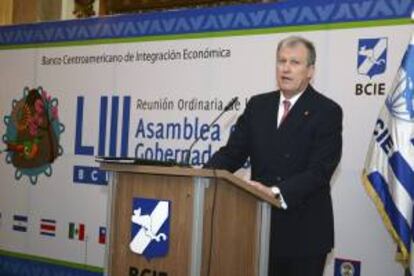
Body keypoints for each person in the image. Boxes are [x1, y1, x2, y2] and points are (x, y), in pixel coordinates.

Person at [204, 36, 343, 276]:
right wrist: (202, 176)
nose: (286, 68)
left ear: (310, 71)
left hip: (303, 234)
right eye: (281, 61)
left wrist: (276, 192)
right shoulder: (258, 105)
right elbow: (232, 153)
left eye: (295, 62)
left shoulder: (326, 111)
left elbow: (320, 171)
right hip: (259, 227)